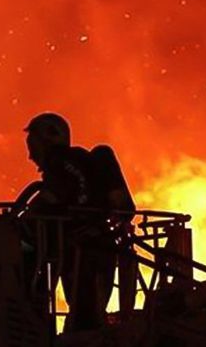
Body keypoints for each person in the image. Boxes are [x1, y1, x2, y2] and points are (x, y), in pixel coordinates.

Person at [21, 112, 133, 332]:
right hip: (99, 248)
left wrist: (23, 222)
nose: (30, 155)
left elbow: (52, 199)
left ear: (47, 141)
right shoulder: (83, 163)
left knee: (86, 319)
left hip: (81, 252)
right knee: (88, 315)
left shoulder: (60, 165)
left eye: (32, 145)